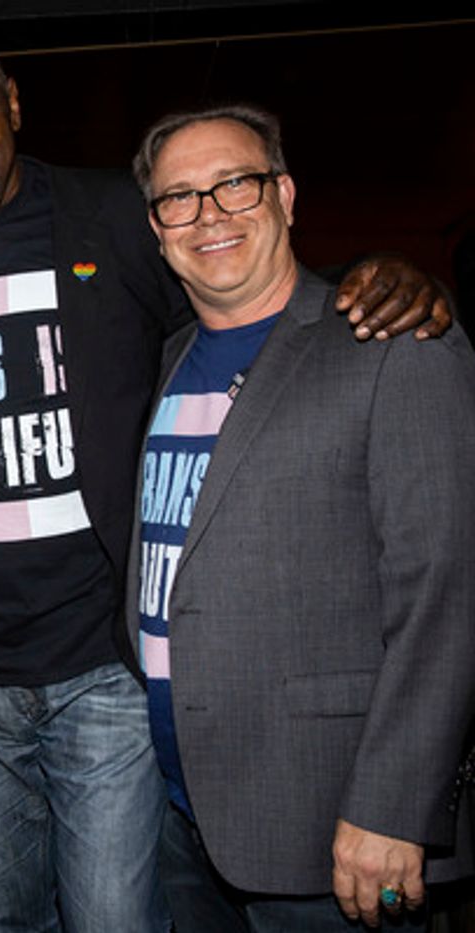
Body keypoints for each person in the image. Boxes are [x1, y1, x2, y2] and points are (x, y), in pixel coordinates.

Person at [0, 23, 455, 933]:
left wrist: (372, 281)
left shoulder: (109, 217)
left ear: (13, 104)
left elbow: (246, 282)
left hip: (104, 669)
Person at [127, 102, 475, 933]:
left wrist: (395, 806)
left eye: (234, 186)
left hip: (332, 824)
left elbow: (447, 595)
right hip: (182, 813)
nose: (208, 215)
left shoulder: (392, 343)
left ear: (285, 194)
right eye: (181, 198)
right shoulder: (168, 358)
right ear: (156, 226)